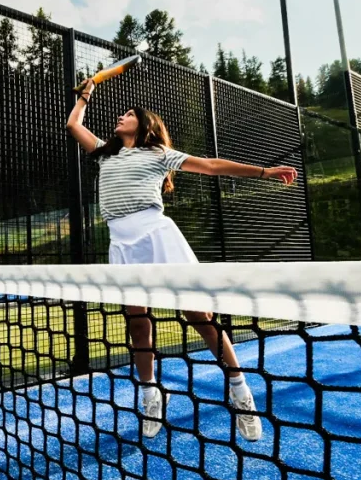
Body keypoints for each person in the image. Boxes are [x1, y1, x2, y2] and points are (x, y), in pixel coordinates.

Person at [66, 77, 298, 440]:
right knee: (137, 324)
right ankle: (151, 397)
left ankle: (241, 393)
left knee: (199, 316)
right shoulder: (105, 152)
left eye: (129, 114)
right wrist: (85, 95)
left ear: (145, 125)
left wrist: (265, 172)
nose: (121, 116)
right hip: (122, 244)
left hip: (157, 236)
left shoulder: (158, 153)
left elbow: (210, 166)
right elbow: (73, 125)